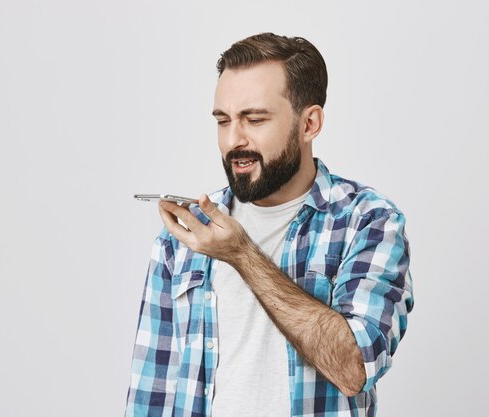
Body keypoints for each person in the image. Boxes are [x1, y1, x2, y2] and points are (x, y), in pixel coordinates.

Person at [124, 33, 413, 417]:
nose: (233, 140)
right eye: (223, 121)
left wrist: (241, 254)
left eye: (254, 119)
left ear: (309, 123)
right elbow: (151, 393)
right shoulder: (184, 236)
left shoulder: (368, 222)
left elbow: (353, 369)